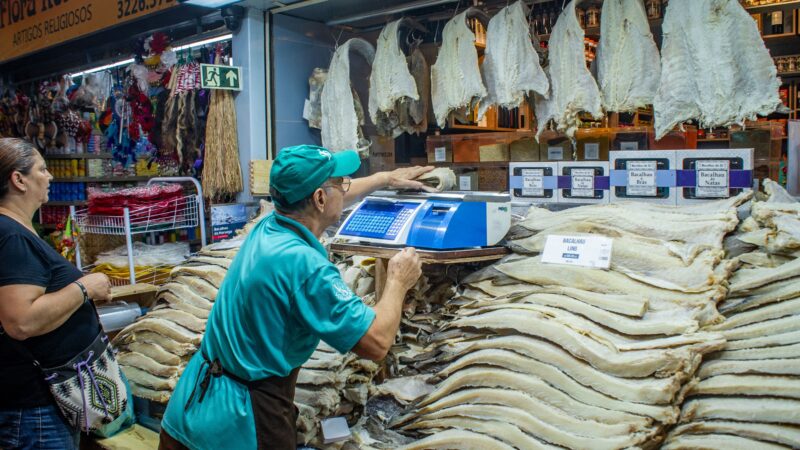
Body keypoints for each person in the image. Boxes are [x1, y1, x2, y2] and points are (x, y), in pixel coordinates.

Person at [159, 145, 432, 449]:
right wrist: (397, 280)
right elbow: (377, 342)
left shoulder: (268, 226)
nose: (345, 187)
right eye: (339, 182)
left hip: (190, 411)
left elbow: (336, 193)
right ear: (318, 198)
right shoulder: (305, 267)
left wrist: (385, 178)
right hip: (241, 425)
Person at [0, 138, 112, 449]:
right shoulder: (10, 236)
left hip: (38, 404)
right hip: (34, 409)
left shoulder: (17, 230)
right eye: (42, 169)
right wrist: (84, 288)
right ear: (18, 180)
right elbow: (21, 321)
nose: (50, 176)